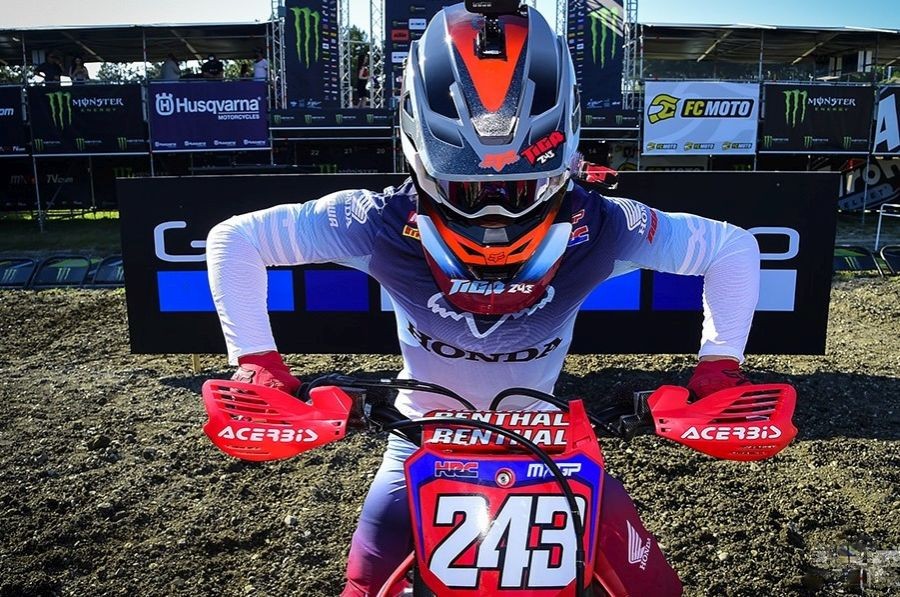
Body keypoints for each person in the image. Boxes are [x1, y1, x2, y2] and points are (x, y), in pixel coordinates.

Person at [206, 3, 761, 595]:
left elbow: (733, 250)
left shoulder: (379, 220)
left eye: (518, 187)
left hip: (437, 435)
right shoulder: (601, 224)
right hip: (519, 438)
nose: (494, 210)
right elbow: (234, 239)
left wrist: (259, 361)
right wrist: (717, 364)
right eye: (467, 188)